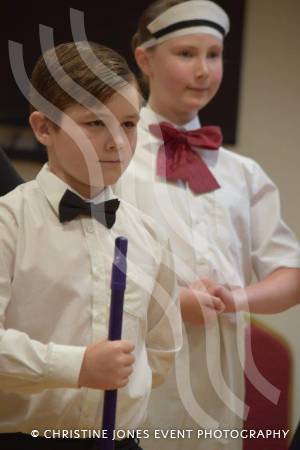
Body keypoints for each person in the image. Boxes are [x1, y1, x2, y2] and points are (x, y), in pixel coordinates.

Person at [114, 1, 300, 449]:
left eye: (213, 55)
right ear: (145, 60)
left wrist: (235, 299)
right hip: (128, 379)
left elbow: (291, 275)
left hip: (216, 392)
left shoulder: (243, 174)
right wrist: (169, 303)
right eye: (186, 54)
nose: (203, 71)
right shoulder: (112, 158)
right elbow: (83, 267)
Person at [0, 41, 182, 450]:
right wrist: (77, 367)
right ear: (44, 127)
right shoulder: (7, 223)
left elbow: (161, 349)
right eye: (95, 124)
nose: (117, 141)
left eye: (130, 124)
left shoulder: (150, 234)